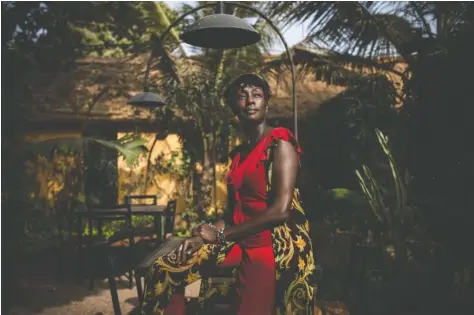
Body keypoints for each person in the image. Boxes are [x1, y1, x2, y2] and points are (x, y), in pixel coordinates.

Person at [141, 73, 316, 315]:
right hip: (236, 240)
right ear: (234, 106)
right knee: (166, 268)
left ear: (266, 102)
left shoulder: (280, 143)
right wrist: (202, 237)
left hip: (266, 246)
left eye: (257, 95)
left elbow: (280, 211)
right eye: (242, 97)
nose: (250, 101)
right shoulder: (238, 155)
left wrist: (221, 236)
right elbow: (233, 214)